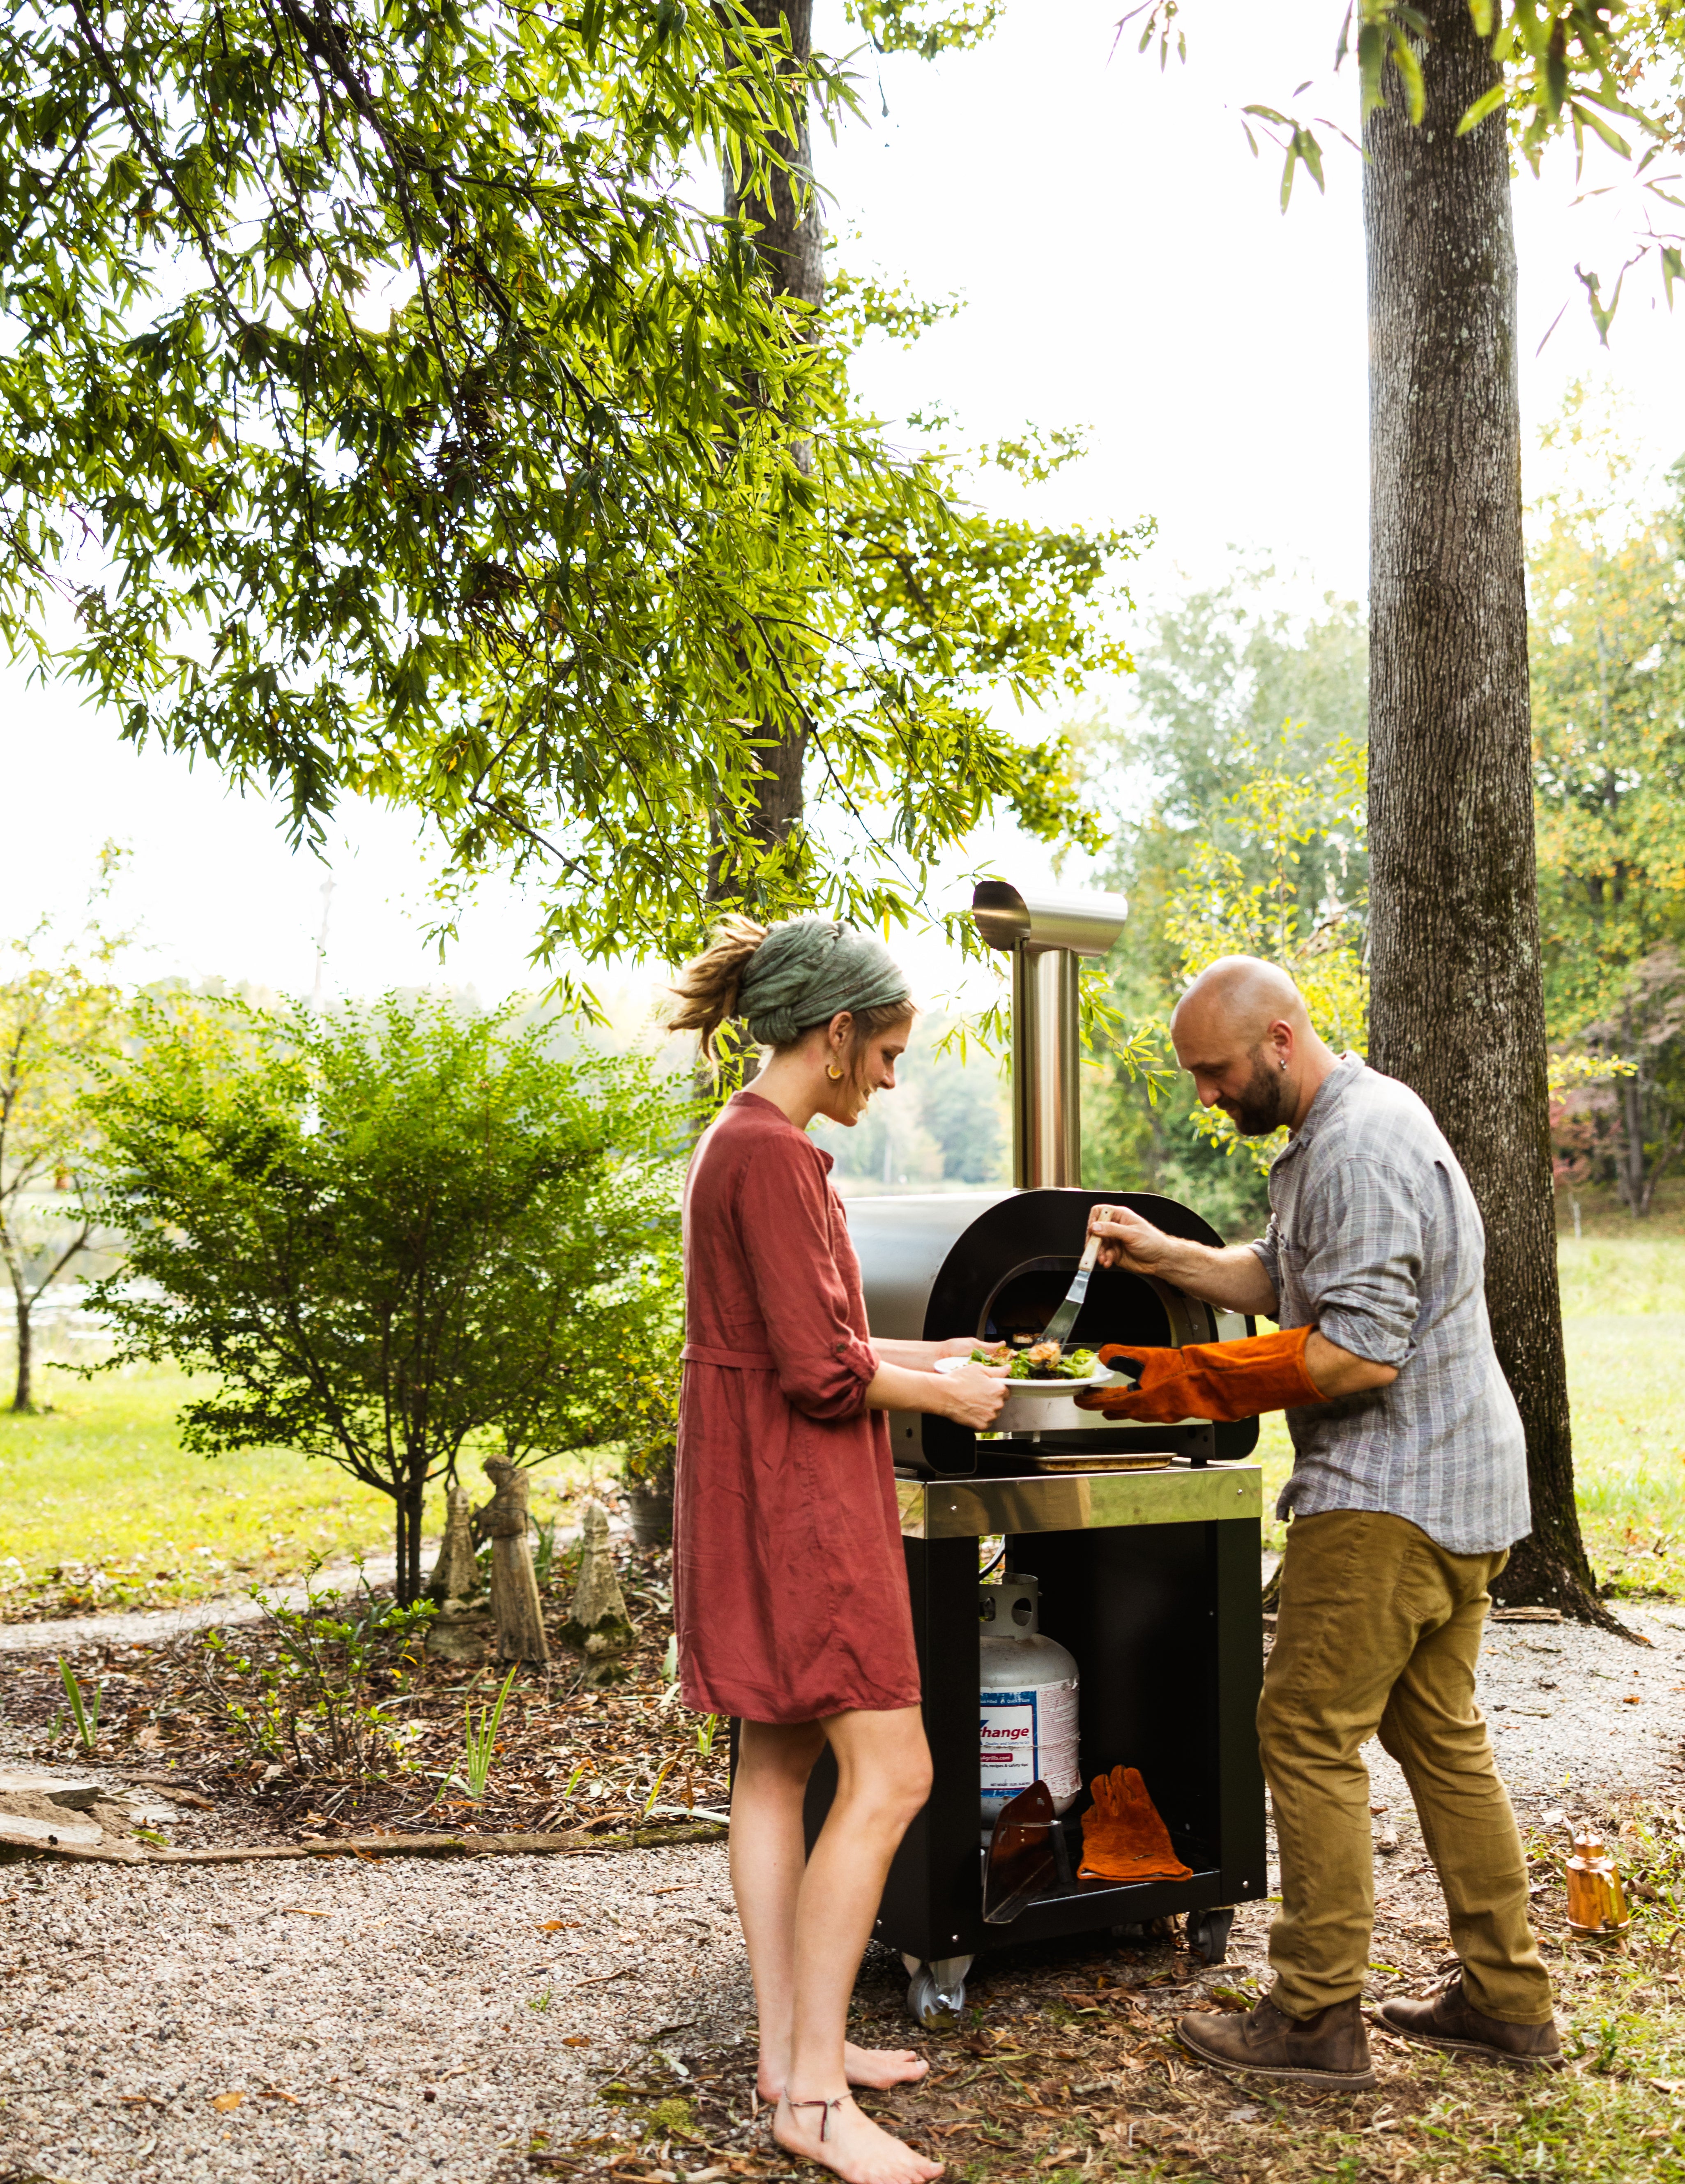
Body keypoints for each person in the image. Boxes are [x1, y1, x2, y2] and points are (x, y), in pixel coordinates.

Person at [1082, 954, 1559, 2089]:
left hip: (1392, 1494)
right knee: (1441, 1735)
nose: (1208, 1094)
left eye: (1218, 1070)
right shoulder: (1347, 1124)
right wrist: (1169, 1254)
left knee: (1301, 1730)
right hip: (1460, 1485)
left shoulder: (1356, 1144)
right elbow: (1290, 1276)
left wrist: (1180, 1380)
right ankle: (1509, 2000)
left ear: (1282, 1040)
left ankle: (1314, 2017)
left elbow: (1357, 1351)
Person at [668, 916, 1007, 2184]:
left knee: (779, 1763)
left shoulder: (746, 1145)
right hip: (803, 1503)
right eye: (888, 1051)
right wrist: (941, 1399)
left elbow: (818, 1344)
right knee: (895, 1774)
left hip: (756, 1490)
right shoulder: (771, 1159)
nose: (891, 1075)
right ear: (836, 1032)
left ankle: (788, 2057)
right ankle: (812, 2098)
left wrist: (945, 1360)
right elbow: (823, 1376)